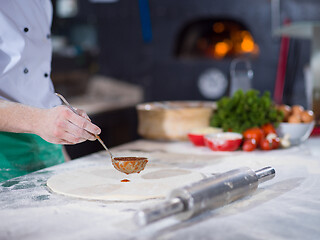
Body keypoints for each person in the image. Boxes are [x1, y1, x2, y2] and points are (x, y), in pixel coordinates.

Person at [0, 0, 101, 182]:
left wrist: (63, 154)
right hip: (5, 155)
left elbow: (38, 80)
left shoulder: (42, 3)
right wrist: (39, 120)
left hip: (48, 149)